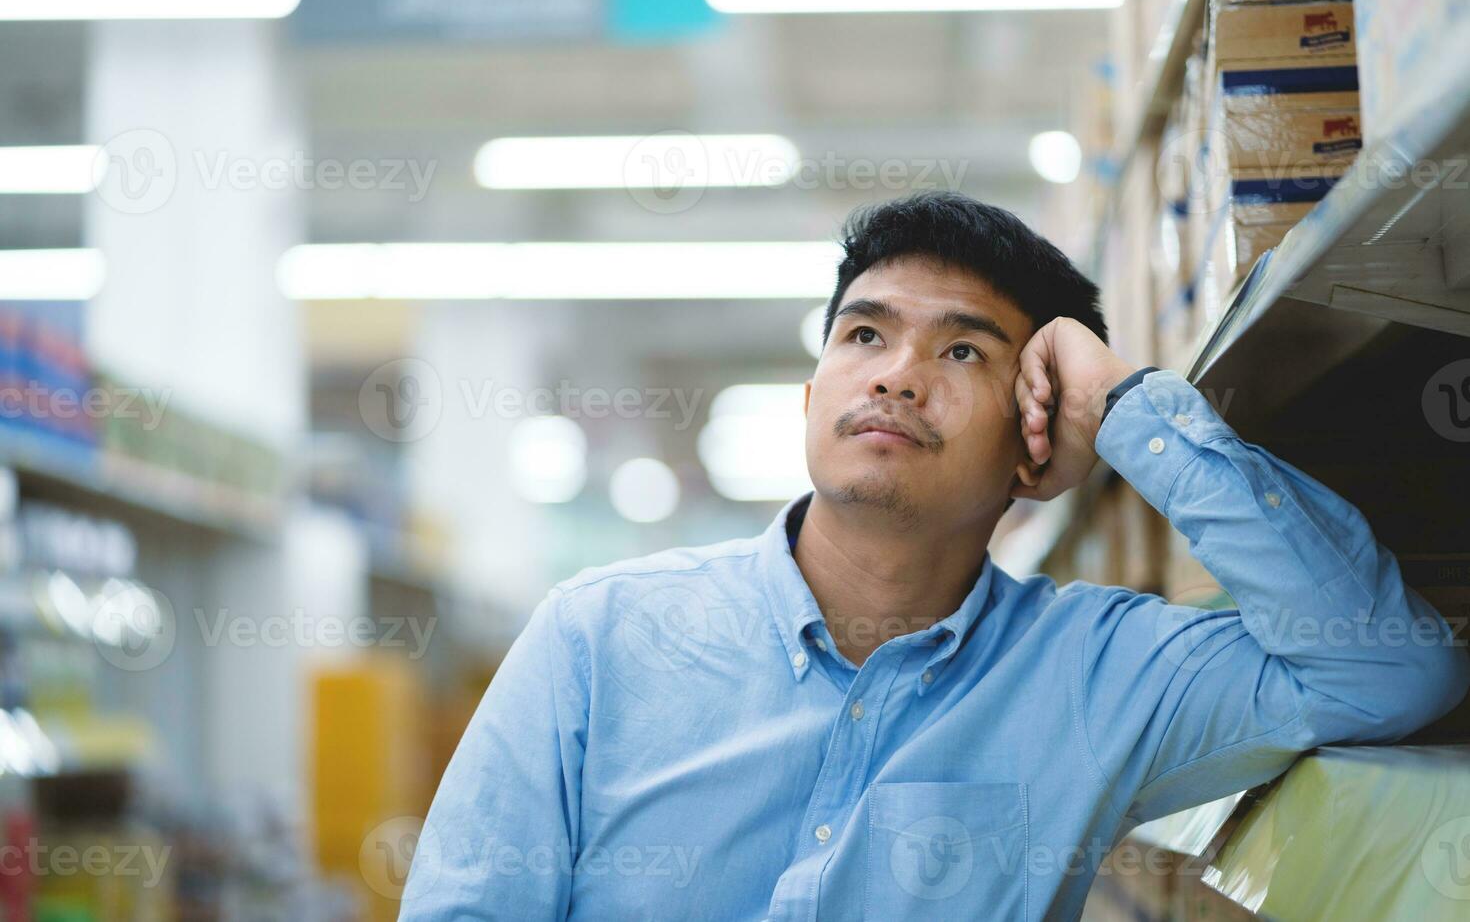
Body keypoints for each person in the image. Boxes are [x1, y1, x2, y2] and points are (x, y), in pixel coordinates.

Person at [399, 191, 1469, 921]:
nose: (898, 376)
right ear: (811, 396)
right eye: (863, 336)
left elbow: (1384, 668)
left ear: (1034, 431)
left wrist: (1131, 411)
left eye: (963, 349)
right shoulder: (601, 632)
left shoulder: (1096, 673)